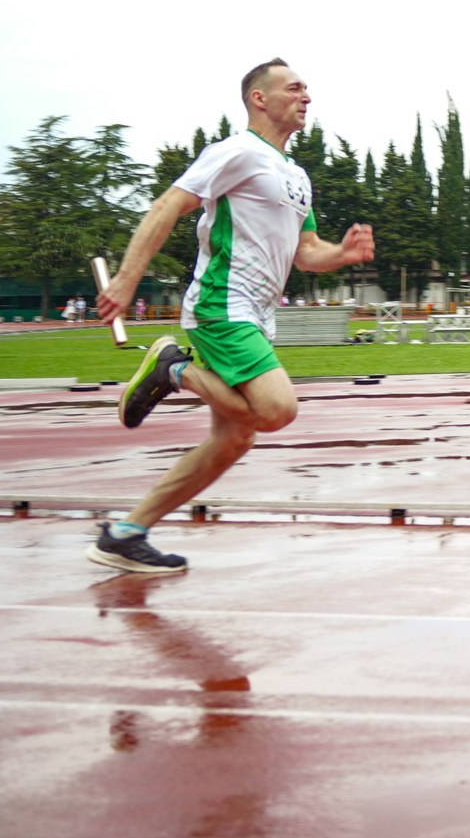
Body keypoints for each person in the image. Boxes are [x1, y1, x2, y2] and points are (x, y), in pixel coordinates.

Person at [92, 58, 375, 575]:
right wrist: (127, 280)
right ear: (258, 99)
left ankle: (126, 533)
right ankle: (172, 367)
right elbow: (165, 208)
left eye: (308, 89)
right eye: (294, 88)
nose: (306, 96)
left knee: (235, 438)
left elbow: (306, 250)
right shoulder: (236, 152)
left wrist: (343, 254)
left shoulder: (295, 175)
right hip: (224, 306)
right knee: (275, 410)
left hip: (256, 315)